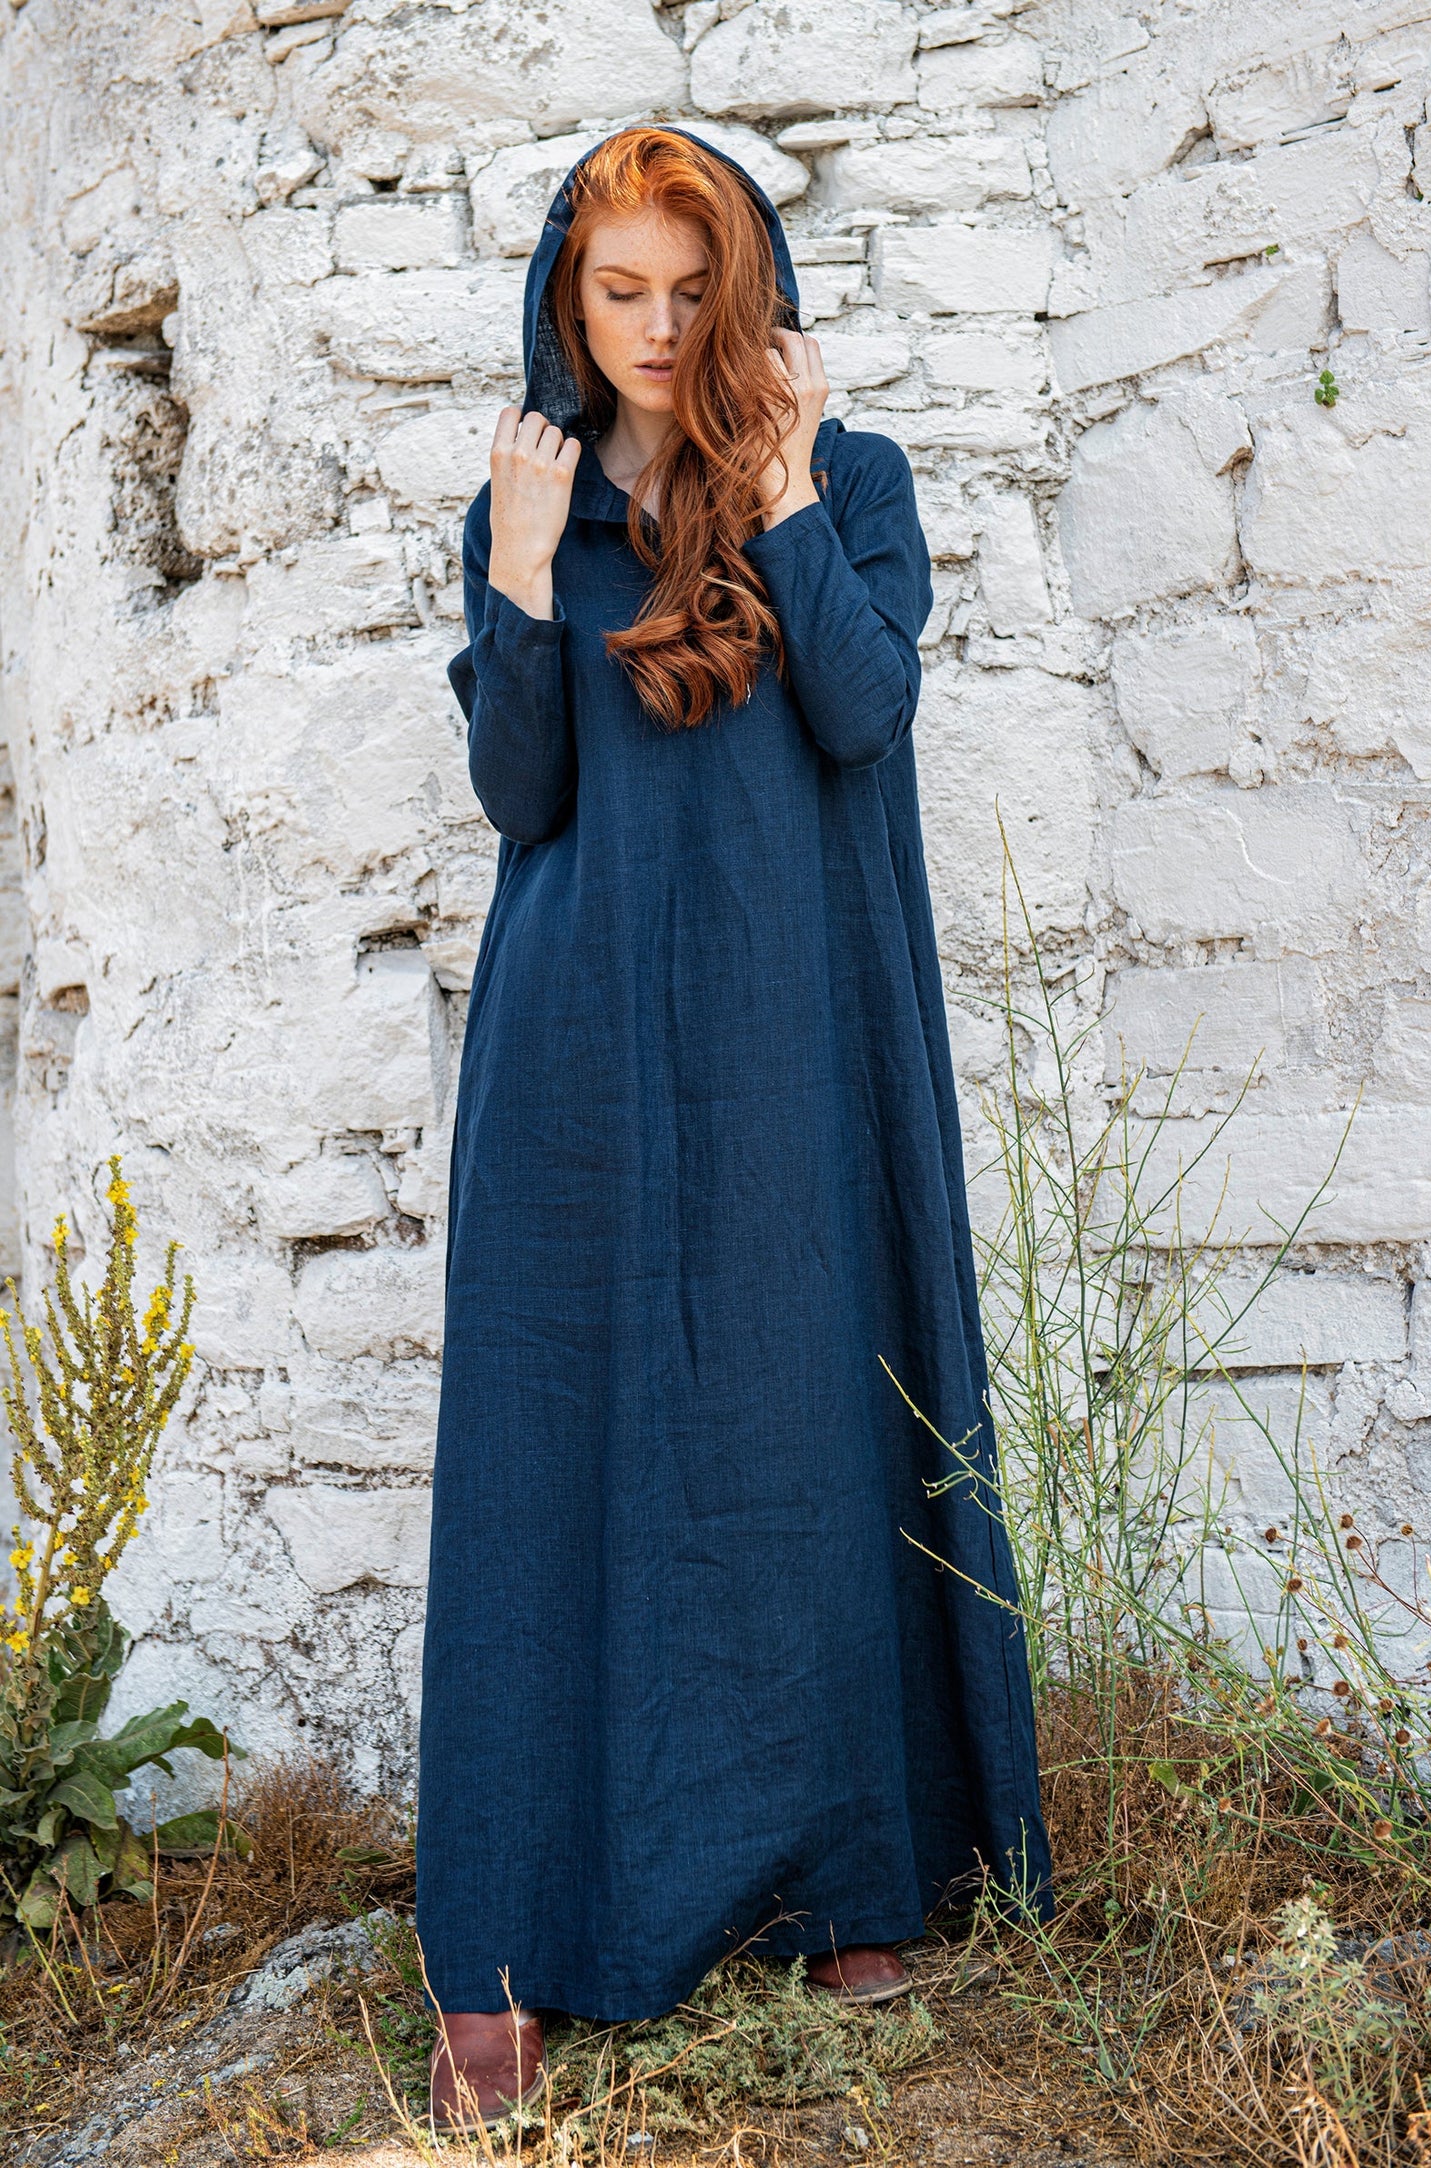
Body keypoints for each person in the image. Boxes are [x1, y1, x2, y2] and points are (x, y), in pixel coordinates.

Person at [416, 125, 1052, 2133]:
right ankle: (513, 1937)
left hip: (796, 1037)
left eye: (695, 291)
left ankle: (854, 1873)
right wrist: (518, 583)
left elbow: (864, 719)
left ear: (745, 282)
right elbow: (526, 800)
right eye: (623, 293)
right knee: (555, 1460)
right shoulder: (526, 497)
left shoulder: (844, 478)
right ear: (565, 295)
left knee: (801, 1429)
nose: (662, 331)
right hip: (580, 1051)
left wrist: (780, 502)